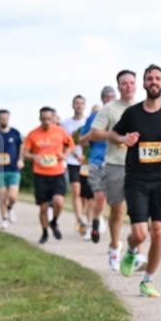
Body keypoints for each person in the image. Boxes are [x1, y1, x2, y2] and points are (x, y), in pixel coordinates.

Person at [109, 64, 161, 298]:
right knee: (140, 234)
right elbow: (112, 135)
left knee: (158, 231)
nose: (154, 81)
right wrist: (124, 138)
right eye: (149, 78)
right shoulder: (133, 113)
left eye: (157, 78)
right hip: (136, 180)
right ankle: (131, 250)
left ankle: (148, 280)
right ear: (144, 84)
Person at [89, 70, 142, 272]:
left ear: (136, 85)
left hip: (140, 165)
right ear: (118, 86)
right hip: (116, 164)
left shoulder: (143, 108)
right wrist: (119, 137)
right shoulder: (110, 109)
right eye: (124, 83)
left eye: (131, 82)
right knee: (118, 210)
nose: (128, 86)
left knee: (139, 211)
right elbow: (94, 133)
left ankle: (136, 252)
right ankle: (114, 246)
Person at [22, 106, 76, 244]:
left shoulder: (60, 132)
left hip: (57, 172)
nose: (46, 122)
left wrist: (64, 155)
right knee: (44, 207)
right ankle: (45, 232)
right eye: (44, 119)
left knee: (59, 201)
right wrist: (34, 157)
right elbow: (25, 153)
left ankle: (54, 222)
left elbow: (71, 145)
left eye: (49, 119)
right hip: (40, 174)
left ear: (53, 119)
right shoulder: (33, 134)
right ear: (40, 119)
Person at [81, 86, 115, 242]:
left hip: (117, 162)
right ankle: (94, 222)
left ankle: (101, 220)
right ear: (102, 99)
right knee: (98, 197)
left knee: (115, 201)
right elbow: (82, 141)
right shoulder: (94, 117)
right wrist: (95, 134)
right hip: (97, 161)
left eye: (111, 97)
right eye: (106, 97)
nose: (109, 99)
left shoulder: (123, 115)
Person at [0, 109, 24, 229]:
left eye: (6, 118)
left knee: (13, 197)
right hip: (0, 170)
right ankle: (4, 218)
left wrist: (21, 160)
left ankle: (10, 208)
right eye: (2, 118)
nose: (4, 120)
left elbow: (21, 148)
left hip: (14, 169)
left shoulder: (15, 133)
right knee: (2, 195)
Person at [61, 95, 89, 234]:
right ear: (73, 105)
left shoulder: (89, 121)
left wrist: (85, 155)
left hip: (86, 162)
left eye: (81, 103)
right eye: (76, 103)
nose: (78, 106)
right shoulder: (66, 124)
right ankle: (79, 218)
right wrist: (75, 155)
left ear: (84, 106)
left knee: (85, 194)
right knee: (76, 191)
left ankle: (82, 216)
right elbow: (65, 144)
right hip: (72, 161)